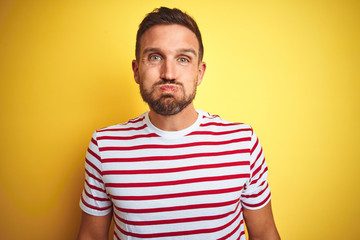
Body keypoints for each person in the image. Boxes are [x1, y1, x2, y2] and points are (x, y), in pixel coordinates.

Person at [77, 7, 280, 240]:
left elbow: (264, 233)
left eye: (183, 59)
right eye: (155, 57)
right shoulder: (104, 147)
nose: (169, 73)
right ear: (136, 70)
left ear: (199, 72)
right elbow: (91, 236)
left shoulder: (243, 143)